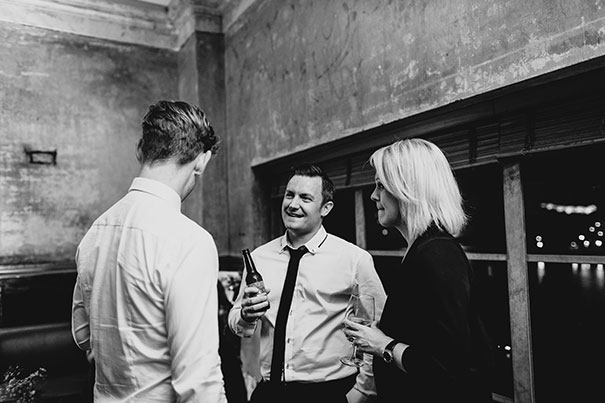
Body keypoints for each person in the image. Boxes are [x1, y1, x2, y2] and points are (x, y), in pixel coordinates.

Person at [71, 100, 227, 402]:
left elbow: (82, 336)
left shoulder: (95, 232)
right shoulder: (190, 241)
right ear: (202, 161)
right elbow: (200, 382)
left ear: (140, 150)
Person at [343, 138, 494, 402]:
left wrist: (382, 345)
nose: (373, 195)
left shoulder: (437, 254)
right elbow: (428, 338)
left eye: (381, 185)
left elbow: (447, 368)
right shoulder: (424, 249)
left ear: (407, 189)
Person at [228, 164, 387, 403]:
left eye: (305, 198)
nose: (293, 204)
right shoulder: (259, 258)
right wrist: (245, 316)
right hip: (269, 391)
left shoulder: (354, 260)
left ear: (326, 208)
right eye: (289, 195)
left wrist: (363, 391)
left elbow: (379, 329)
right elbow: (237, 324)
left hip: (329, 392)